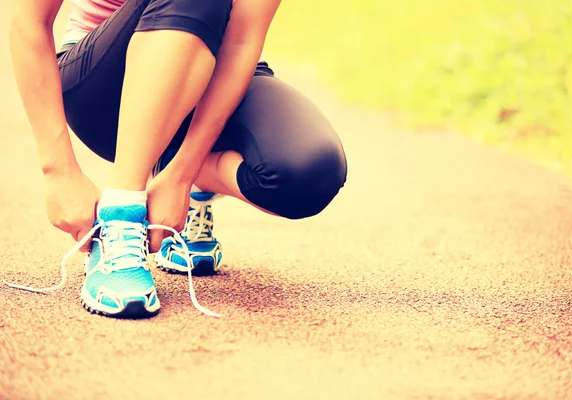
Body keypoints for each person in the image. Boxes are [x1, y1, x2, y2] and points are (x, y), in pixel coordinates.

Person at [7, 0, 347, 319]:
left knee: (308, 172)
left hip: (209, 67)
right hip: (102, 86)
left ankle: (181, 178)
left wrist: (183, 173)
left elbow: (242, 41)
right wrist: (59, 171)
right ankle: (122, 213)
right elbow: (29, 21)